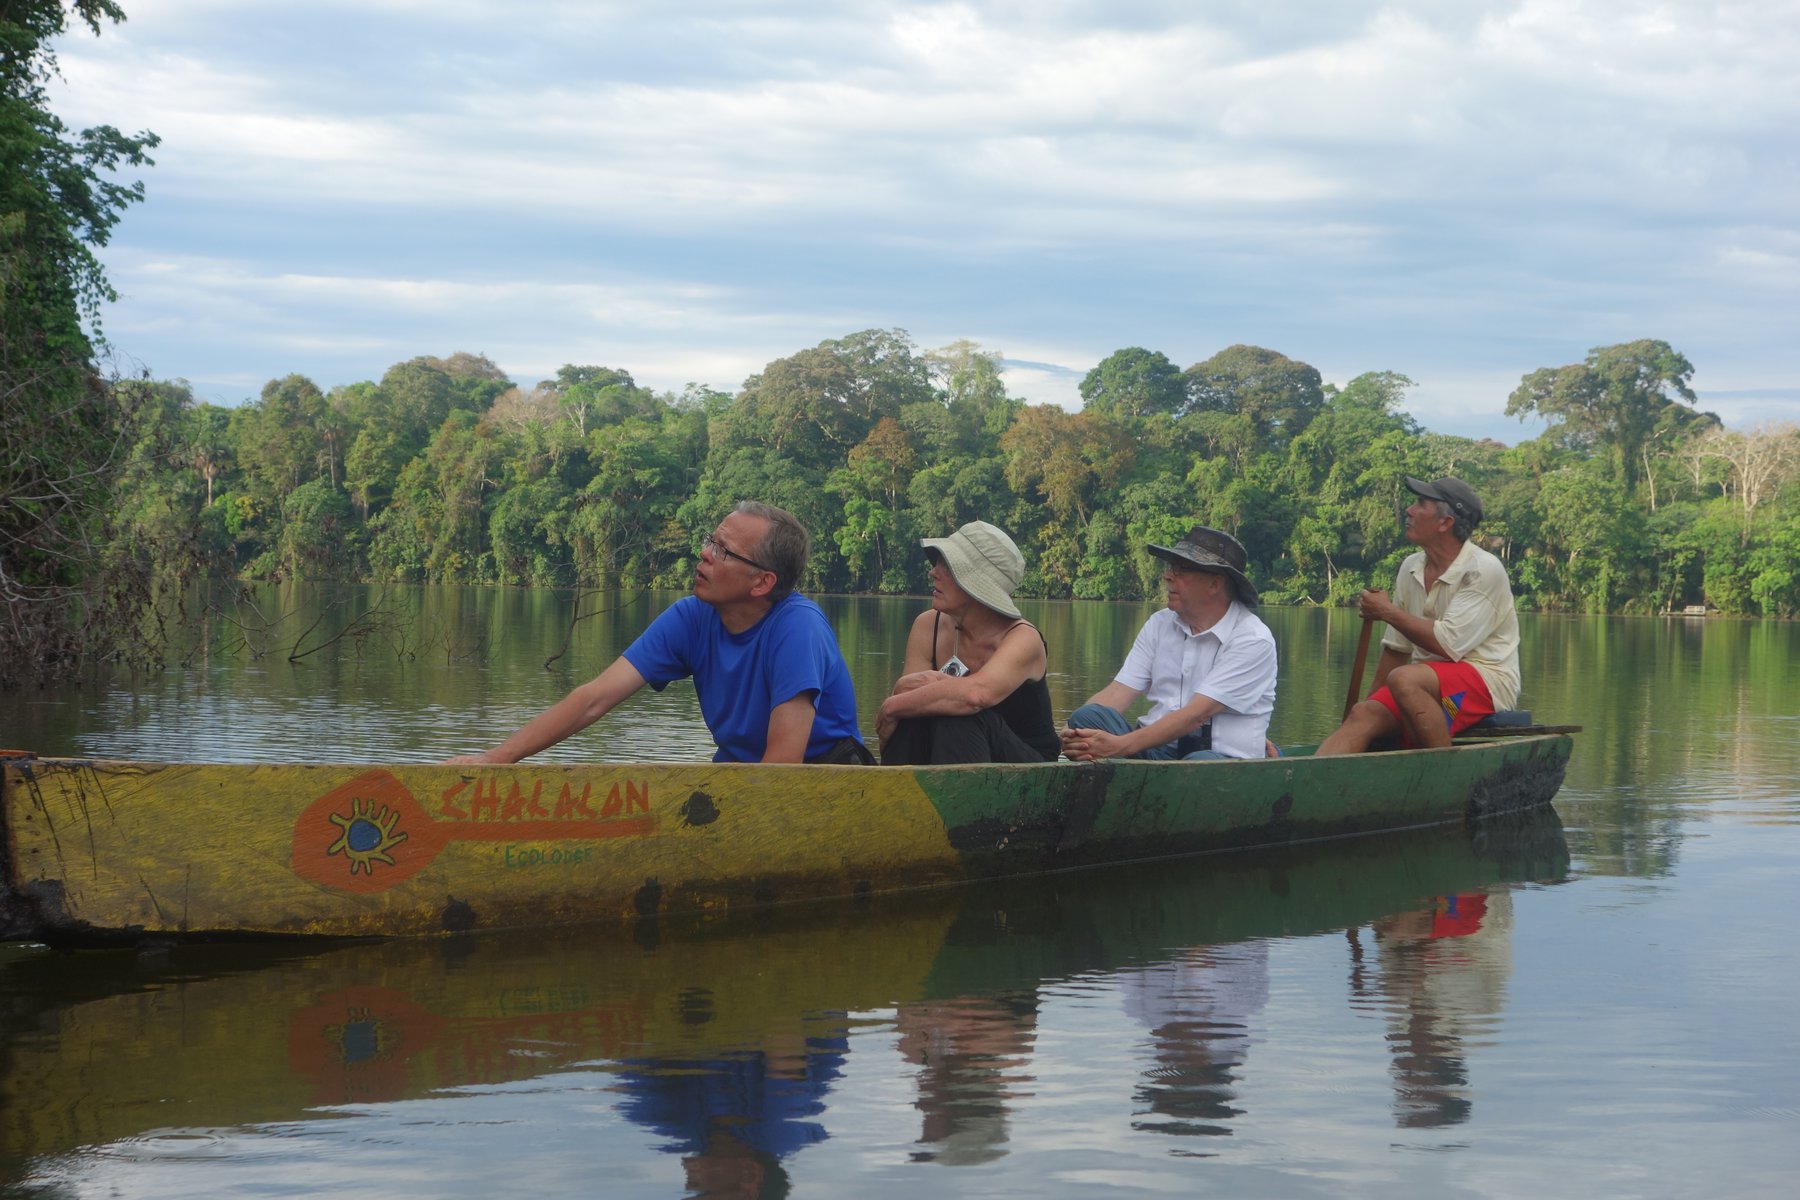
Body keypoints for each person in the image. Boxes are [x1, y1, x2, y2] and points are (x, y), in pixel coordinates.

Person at [448, 500, 870, 765]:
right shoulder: (692, 617)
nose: (704, 554)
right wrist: (495, 758)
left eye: (723, 551)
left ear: (762, 583)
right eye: (710, 541)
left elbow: (782, 764)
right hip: (740, 776)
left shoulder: (797, 627)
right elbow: (594, 699)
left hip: (823, 780)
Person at [1316, 476, 1520, 755]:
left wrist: (1386, 611)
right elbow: (1397, 649)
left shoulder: (1483, 569)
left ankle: (1443, 776)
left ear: (1445, 523)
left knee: (1405, 679)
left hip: (1484, 685)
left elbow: (1447, 644)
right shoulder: (1410, 567)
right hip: (1420, 688)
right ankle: (1308, 789)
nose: (1409, 511)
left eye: (1420, 504)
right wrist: (1372, 705)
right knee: (1363, 715)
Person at [1061, 526, 1276, 762]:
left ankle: (1139, 787)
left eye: (1181, 570)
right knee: (1087, 717)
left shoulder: (1252, 639)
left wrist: (1118, 746)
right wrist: (1072, 733)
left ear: (1215, 584)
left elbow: (1196, 715)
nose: (1168, 576)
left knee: (1199, 764)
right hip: (1155, 749)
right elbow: (1117, 694)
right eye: (1171, 567)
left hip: (1219, 761)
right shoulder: (1159, 624)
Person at [877, 521, 1059, 765]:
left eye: (947, 566)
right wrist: (902, 700)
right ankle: (895, 797)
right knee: (917, 713)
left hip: (1029, 770)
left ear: (976, 586)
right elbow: (910, 702)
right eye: (937, 562)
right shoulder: (927, 626)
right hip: (951, 756)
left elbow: (975, 696)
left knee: (958, 713)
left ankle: (957, 802)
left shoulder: (1023, 638)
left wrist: (890, 707)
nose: (933, 572)